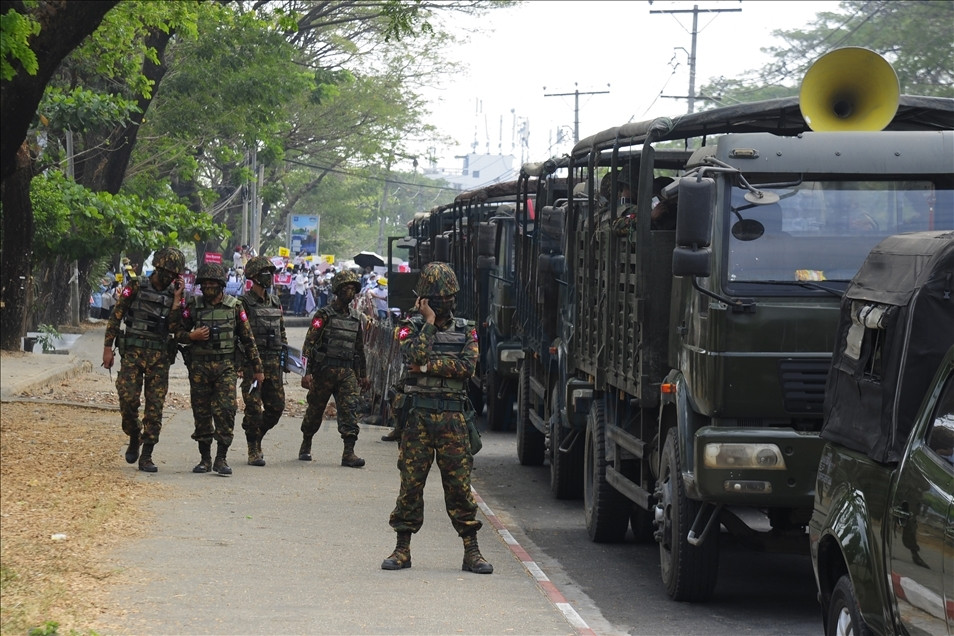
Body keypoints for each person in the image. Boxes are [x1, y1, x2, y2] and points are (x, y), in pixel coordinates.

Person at [381, 262, 492, 574]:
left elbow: (467, 368)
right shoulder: (409, 327)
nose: (443, 303)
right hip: (417, 416)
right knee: (411, 486)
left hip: (453, 418)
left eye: (445, 298)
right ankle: (402, 549)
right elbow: (411, 357)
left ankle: (472, 551)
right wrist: (428, 324)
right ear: (424, 301)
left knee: (459, 487)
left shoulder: (466, 330)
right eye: (435, 299)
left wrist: (429, 367)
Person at [175, 263, 264, 475]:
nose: (207, 287)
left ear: (221, 285)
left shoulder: (235, 307)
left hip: (226, 367)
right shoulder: (194, 306)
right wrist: (190, 336)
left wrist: (257, 368)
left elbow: (248, 339)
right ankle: (205, 459)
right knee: (202, 412)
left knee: (226, 410)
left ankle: (221, 458)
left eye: (211, 283)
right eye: (204, 283)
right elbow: (175, 331)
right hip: (199, 368)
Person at [102, 246, 185, 472]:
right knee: (127, 399)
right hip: (133, 353)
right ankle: (134, 433)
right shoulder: (137, 285)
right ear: (157, 267)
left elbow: (177, 328)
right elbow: (116, 316)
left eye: (174, 274)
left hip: (159, 356)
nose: (169, 277)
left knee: (154, 407)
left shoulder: (175, 294)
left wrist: (177, 301)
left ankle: (147, 454)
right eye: (166, 271)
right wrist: (107, 348)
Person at [298, 269, 370, 468]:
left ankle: (349, 452)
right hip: (324, 371)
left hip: (346, 372)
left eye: (353, 289)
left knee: (349, 410)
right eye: (346, 288)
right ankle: (306, 442)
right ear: (337, 290)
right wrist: (306, 372)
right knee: (315, 410)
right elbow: (309, 344)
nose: (350, 292)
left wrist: (362, 375)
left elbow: (359, 349)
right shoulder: (324, 315)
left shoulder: (356, 318)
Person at [237, 256, 287, 466]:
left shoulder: (275, 302)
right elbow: (238, 335)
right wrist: (241, 364)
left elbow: (282, 332)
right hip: (252, 366)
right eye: (265, 273)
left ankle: (257, 435)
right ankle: (252, 448)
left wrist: (286, 359)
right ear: (254, 277)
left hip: (274, 363)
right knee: (254, 408)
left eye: (271, 273)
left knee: (276, 407)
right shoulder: (243, 303)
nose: (270, 277)